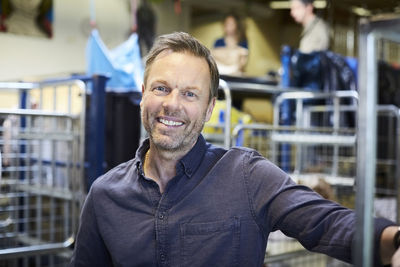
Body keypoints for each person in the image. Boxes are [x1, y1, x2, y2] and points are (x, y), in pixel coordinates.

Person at [70, 32, 400, 267]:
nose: (171, 104)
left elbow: (324, 222)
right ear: (143, 94)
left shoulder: (247, 176)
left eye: (189, 94)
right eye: (161, 88)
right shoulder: (104, 196)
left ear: (210, 107)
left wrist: (393, 241)